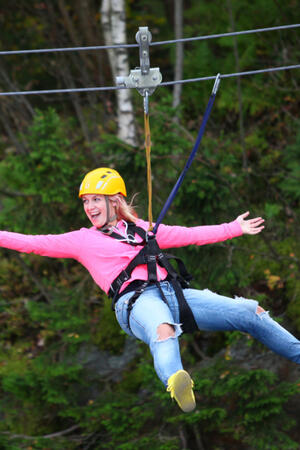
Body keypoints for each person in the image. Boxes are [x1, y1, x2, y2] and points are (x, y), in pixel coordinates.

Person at [0, 167, 299, 413]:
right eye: (85, 202)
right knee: (163, 328)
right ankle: (176, 381)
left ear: (115, 201)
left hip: (173, 293)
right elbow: (33, 243)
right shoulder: (82, 240)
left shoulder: (143, 230)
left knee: (250, 311)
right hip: (134, 302)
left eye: (95, 200)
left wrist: (232, 228)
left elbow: (188, 235)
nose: (89, 208)